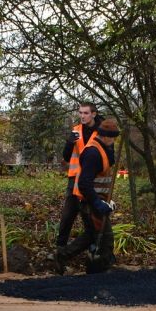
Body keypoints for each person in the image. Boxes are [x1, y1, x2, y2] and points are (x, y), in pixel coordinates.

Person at [55, 117, 118, 272]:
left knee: (90, 235)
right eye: (112, 137)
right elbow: (84, 183)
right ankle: (101, 270)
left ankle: (63, 256)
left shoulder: (102, 149)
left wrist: (106, 200)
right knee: (105, 237)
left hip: (94, 199)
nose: (114, 140)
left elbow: (100, 179)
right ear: (104, 136)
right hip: (90, 202)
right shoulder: (93, 153)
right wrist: (97, 203)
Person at [55, 102, 102, 253]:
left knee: (90, 216)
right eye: (80, 113)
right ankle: (60, 249)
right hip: (74, 179)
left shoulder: (101, 132)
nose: (82, 116)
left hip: (91, 181)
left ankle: (94, 248)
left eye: (86, 113)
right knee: (68, 215)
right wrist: (69, 143)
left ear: (93, 114)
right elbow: (67, 156)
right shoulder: (75, 131)